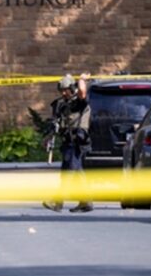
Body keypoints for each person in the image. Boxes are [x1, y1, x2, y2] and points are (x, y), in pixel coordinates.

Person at [42, 73, 93, 213]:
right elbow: (55, 122)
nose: (64, 93)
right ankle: (85, 202)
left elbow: (82, 92)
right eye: (61, 90)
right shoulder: (61, 104)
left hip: (77, 141)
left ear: (72, 88)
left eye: (66, 89)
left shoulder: (78, 102)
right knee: (76, 172)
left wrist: (82, 79)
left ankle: (57, 202)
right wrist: (48, 138)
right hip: (67, 141)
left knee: (68, 172)